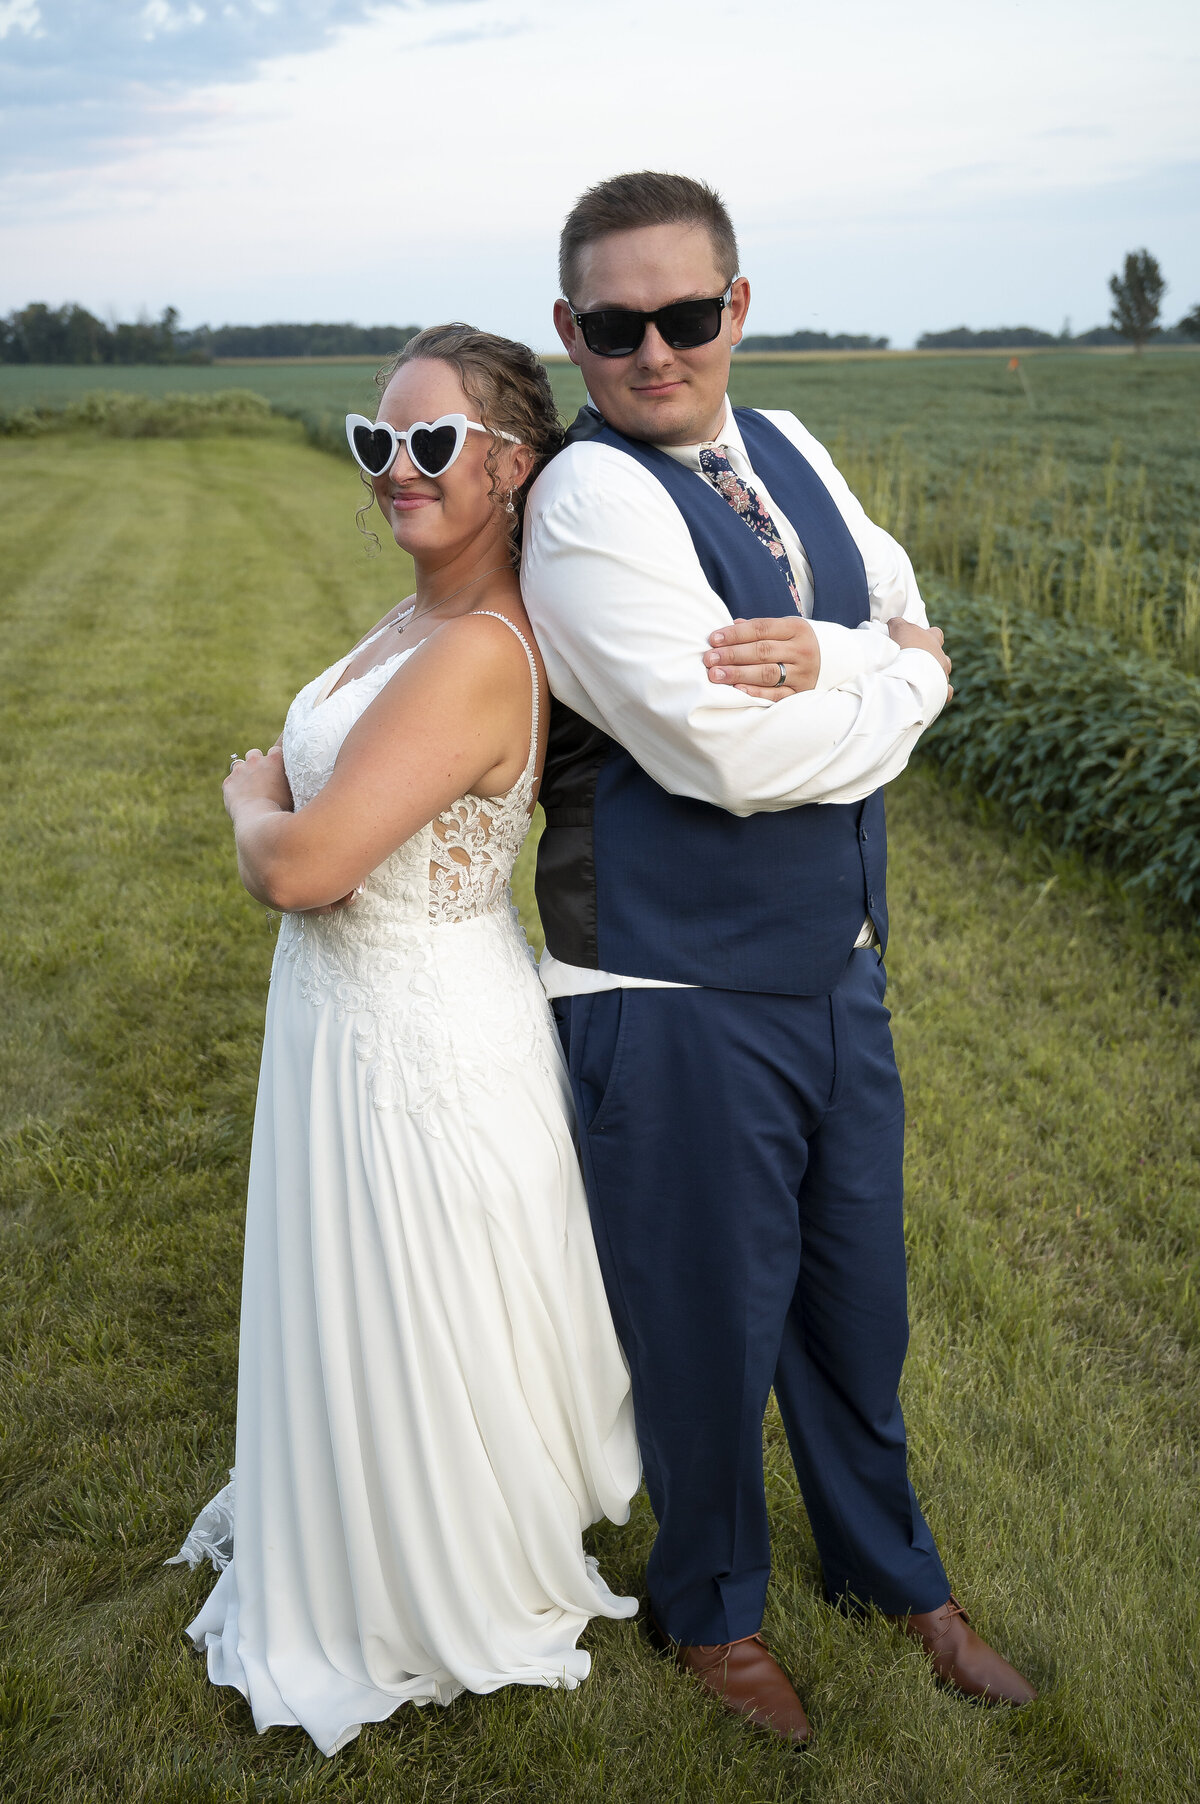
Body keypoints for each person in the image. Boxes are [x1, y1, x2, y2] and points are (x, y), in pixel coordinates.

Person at [521, 171, 1037, 1746]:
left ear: (737, 308)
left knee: (854, 1308)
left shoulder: (792, 445)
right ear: (572, 332)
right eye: (616, 326)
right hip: (669, 987)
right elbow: (727, 756)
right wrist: (900, 683)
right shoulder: (590, 504)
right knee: (705, 1326)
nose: (654, 352)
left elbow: (911, 615)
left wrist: (866, 660)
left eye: (686, 316)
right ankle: (712, 1610)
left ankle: (894, 1575)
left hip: (833, 963)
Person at [170, 325, 640, 1758]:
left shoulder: (481, 653)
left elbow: (305, 867)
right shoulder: (416, 618)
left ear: (513, 465)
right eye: (378, 443)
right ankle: (354, 1500)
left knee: (421, 1298)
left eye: (431, 444)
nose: (397, 470)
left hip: (416, 1026)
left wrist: (254, 800)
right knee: (364, 1289)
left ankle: (426, 1563)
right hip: (355, 1013)